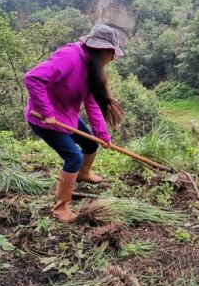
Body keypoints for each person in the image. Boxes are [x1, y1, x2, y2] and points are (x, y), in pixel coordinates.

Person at [24, 24, 124, 223]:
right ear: (101, 50)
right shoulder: (69, 57)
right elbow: (32, 77)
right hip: (45, 119)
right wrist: (47, 111)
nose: (112, 59)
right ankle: (61, 208)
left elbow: (92, 103)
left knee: (90, 144)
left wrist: (102, 135)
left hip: (67, 115)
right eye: (111, 54)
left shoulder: (90, 66)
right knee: (73, 157)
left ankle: (83, 174)